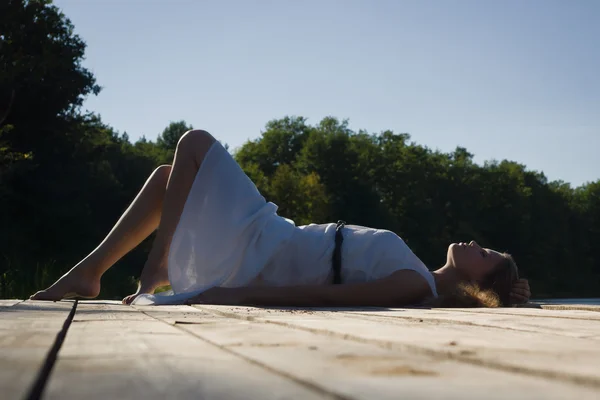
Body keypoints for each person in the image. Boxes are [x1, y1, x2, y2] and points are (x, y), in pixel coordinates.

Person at [30, 130, 531, 307]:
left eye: (486, 255)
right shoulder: (416, 271)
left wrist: (240, 293)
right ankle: (90, 273)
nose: (476, 245)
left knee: (194, 144)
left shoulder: (411, 283)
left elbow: (322, 296)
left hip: (261, 250)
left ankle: (152, 270)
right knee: (169, 176)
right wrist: (513, 290)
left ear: (479, 281)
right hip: (273, 235)